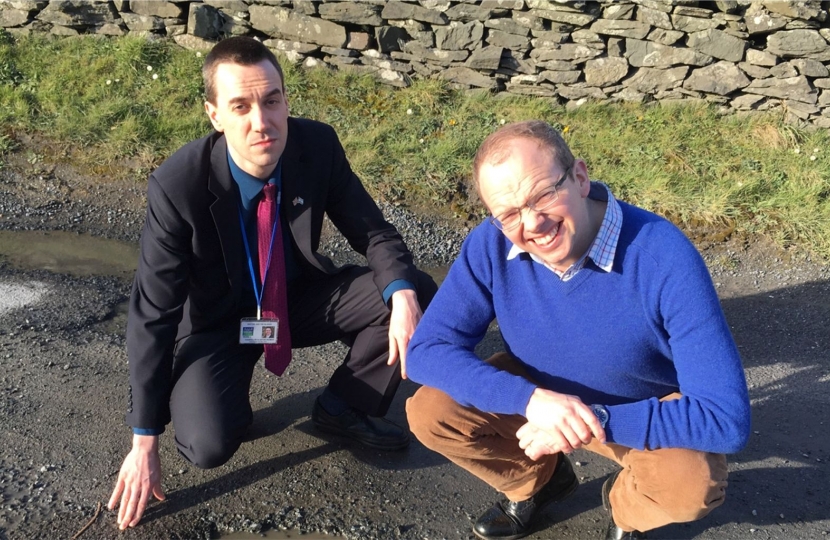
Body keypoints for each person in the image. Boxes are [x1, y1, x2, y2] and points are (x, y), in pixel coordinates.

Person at [107, 36, 436, 530]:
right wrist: (143, 439)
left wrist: (404, 295)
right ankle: (223, 405)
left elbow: (374, 232)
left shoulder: (317, 146)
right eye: (240, 106)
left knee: (413, 290)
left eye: (272, 100)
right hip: (218, 324)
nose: (262, 122)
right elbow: (153, 314)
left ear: (286, 98)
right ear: (214, 115)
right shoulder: (177, 187)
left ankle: (343, 405)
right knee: (209, 444)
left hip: (295, 299)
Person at [405, 121, 750, 540]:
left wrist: (591, 420)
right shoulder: (490, 244)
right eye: (509, 213)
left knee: (689, 488)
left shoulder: (664, 258)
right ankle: (539, 482)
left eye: (544, 195)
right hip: (541, 399)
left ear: (581, 178)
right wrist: (529, 400)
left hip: (639, 407)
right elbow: (426, 350)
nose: (532, 224)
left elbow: (725, 417)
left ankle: (625, 512)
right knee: (431, 413)